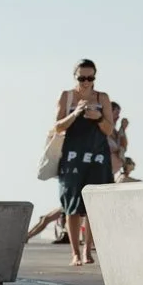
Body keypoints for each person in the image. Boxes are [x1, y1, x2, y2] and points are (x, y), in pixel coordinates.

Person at [52, 59, 121, 266]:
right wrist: (75, 113)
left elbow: (109, 130)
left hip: (97, 155)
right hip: (73, 156)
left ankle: (87, 251)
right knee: (72, 203)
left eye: (90, 78)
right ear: (75, 76)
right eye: (82, 78)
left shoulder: (102, 98)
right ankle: (75, 252)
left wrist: (97, 117)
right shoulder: (67, 96)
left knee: (92, 204)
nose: (86, 82)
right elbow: (58, 127)